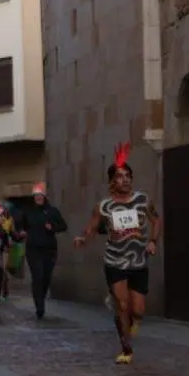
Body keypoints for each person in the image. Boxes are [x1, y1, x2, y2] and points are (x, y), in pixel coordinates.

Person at [73, 142, 161, 364]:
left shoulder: (142, 200)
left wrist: (152, 241)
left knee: (138, 310)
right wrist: (83, 238)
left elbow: (156, 220)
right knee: (123, 305)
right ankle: (126, 348)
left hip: (138, 261)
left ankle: (130, 322)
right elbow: (92, 227)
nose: (125, 180)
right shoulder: (104, 206)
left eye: (128, 176)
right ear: (112, 180)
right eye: (120, 176)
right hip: (114, 260)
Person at [15, 183, 68, 318]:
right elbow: (20, 226)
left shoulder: (52, 211)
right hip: (33, 249)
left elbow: (63, 226)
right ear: (33, 197)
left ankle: (41, 298)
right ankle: (39, 306)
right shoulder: (27, 212)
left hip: (49, 249)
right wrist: (20, 233)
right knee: (37, 276)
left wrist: (53, 227)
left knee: (45, 278)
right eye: (36, 196)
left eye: (41, 196)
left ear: (44, 197)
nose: (38, 198)